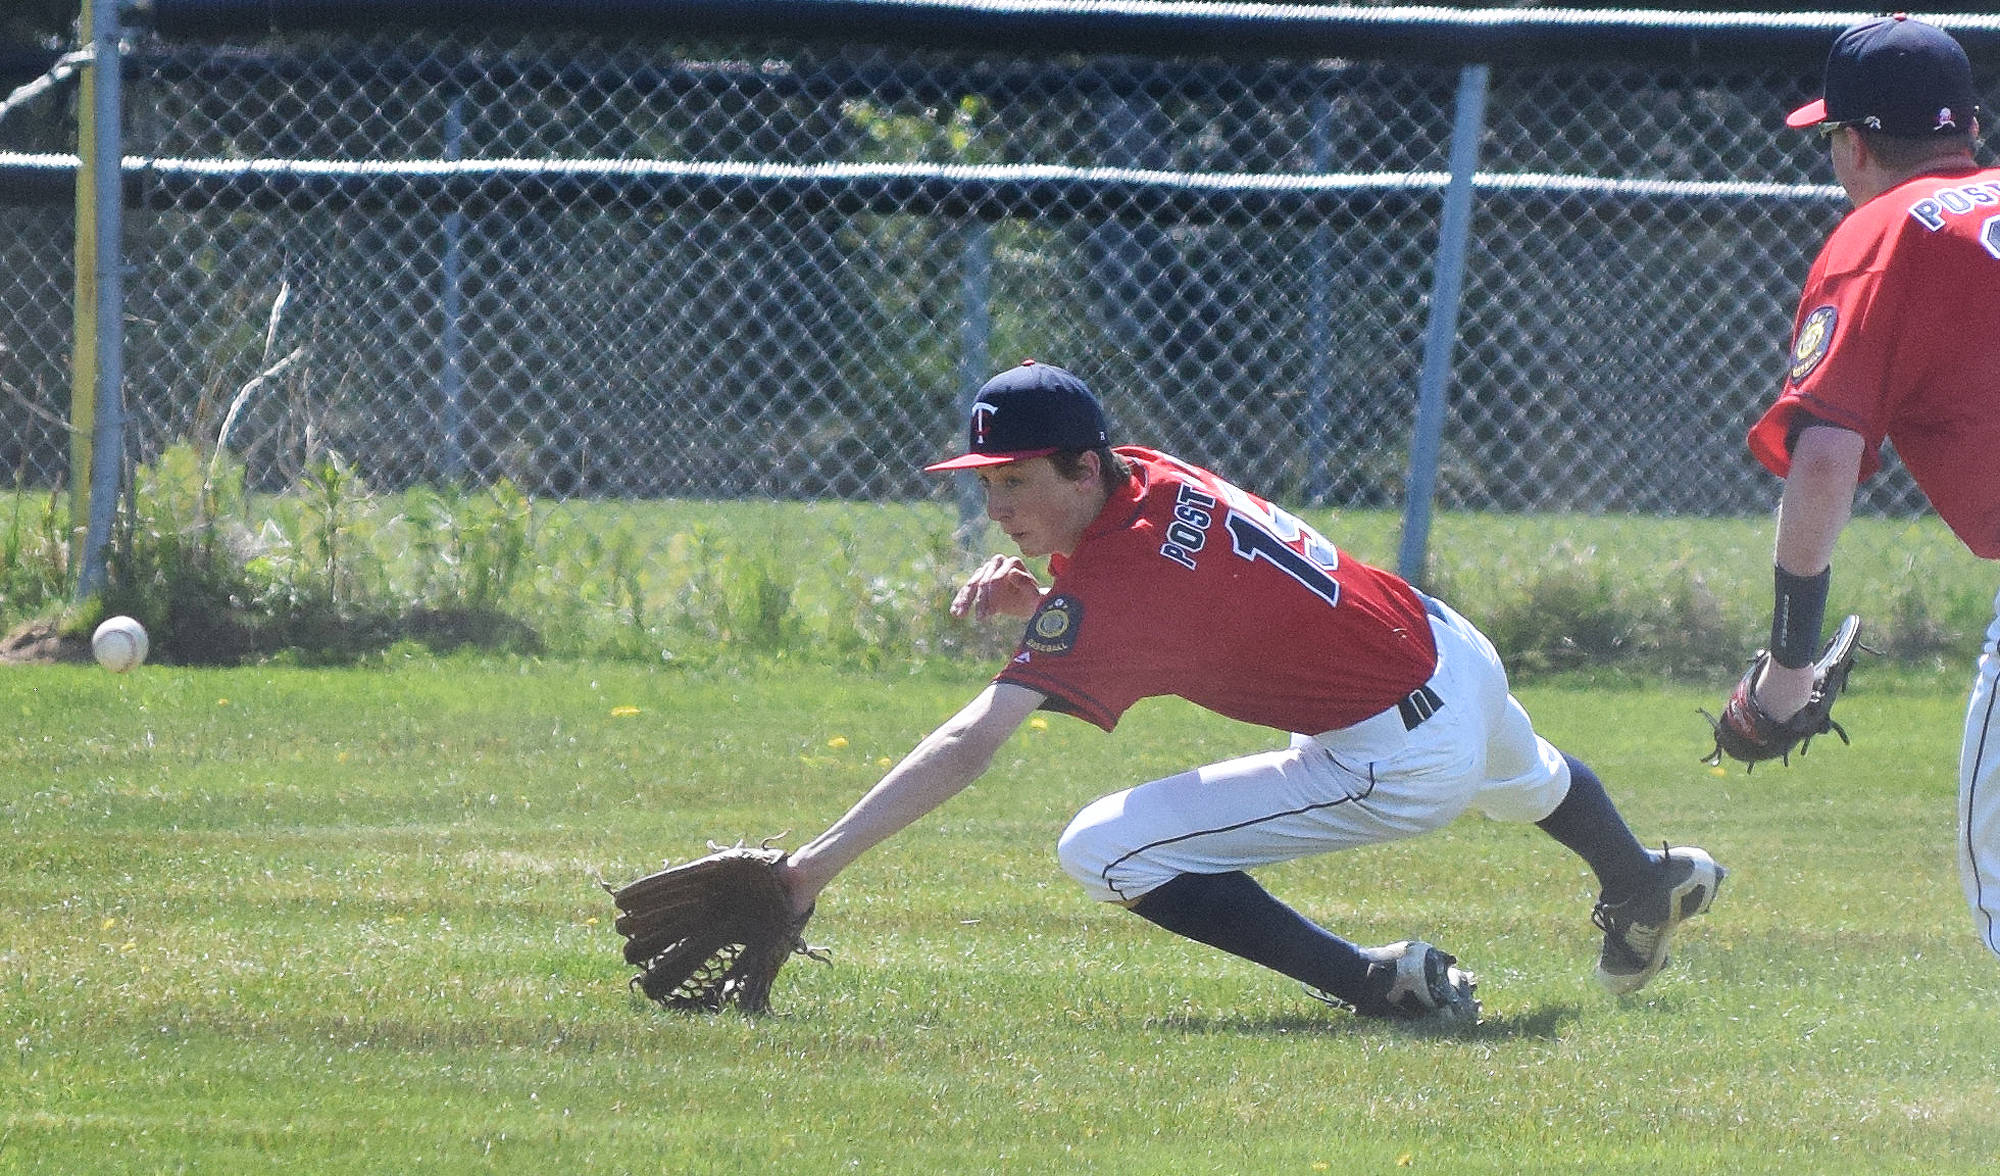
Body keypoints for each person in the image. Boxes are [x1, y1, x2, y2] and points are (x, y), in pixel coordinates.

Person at [777, 359, 1724, 1023]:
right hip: (1450, 649)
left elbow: (972, 741)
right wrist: (1059, 601)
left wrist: (808, 869)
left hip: (1394, 754)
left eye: (1014, 480)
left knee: (1102, 849)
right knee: (1531, 781)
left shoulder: (1118, 577)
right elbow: (1159, 579)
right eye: (986, 483)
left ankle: (1378, 983)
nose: (995, 509)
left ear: (1082, 466)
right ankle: (1643, 881)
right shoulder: (1144, 473)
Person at [1738, 15, 2000, 959]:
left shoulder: (1880, 233)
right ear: (1966, 126)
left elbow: (1824, 457)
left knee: (1998, 871)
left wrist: (1787, 666)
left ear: (1852, 144)